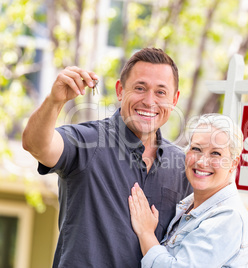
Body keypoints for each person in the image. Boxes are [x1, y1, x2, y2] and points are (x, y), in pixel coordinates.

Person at [22, 48, 193, 267]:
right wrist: (55, 101)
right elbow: (36, 144)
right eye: (140, 88)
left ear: (174, 99)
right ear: (120, 91)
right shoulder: (87, 142)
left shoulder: (182, 166)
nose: (149, 101)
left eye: (161, 92)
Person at [128, 114, 248, 267]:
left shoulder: (228, 217)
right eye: (196, 149)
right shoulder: (188, 206)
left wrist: (146, 233)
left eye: (216, 153)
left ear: (233, 163)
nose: (202, 161)